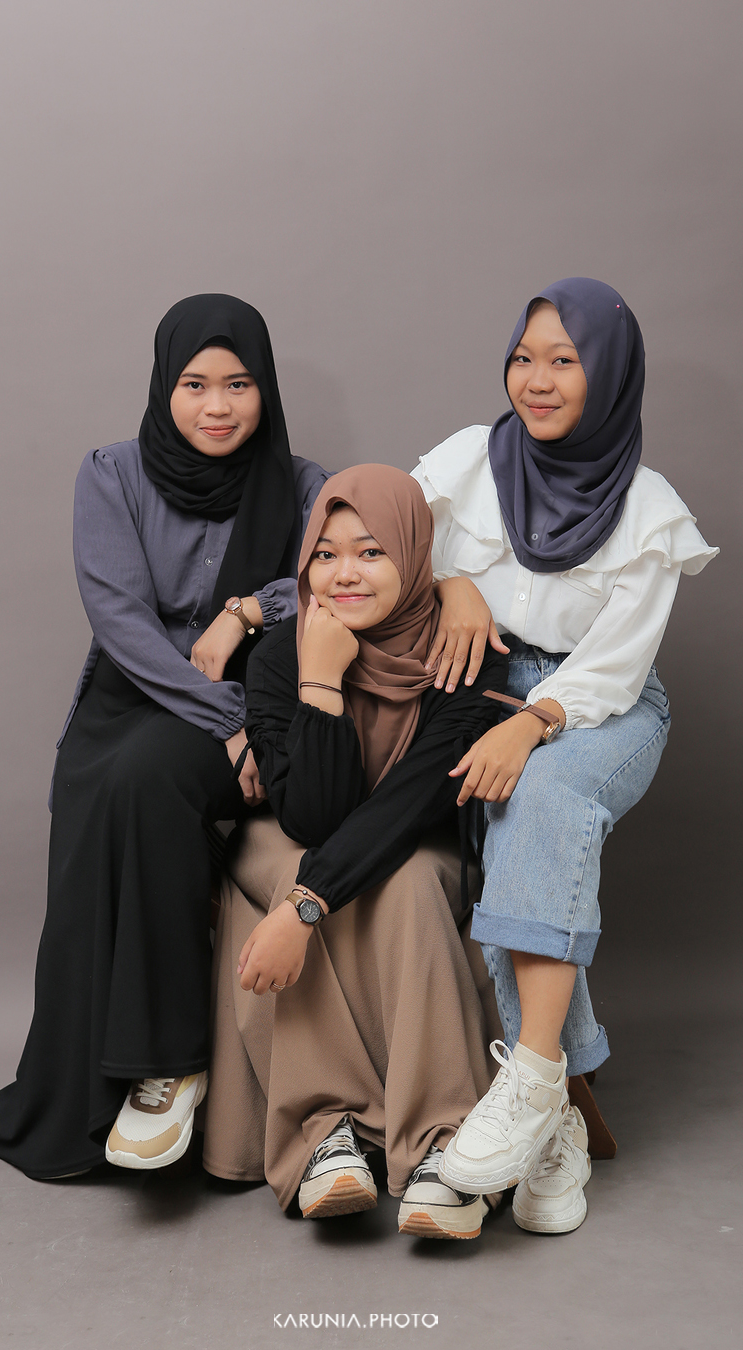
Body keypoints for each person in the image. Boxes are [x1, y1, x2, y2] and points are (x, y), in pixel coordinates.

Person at [0, 294, 328, 1180]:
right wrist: (227, 726)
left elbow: (337, 585)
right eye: (195, 383)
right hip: (141, 700)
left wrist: (245, 612)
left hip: (254, 705)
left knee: (145, 782)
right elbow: (121, 623)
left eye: (240, 384)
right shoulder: (111, 473)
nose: (218, 406)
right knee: (104, 798)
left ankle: (164, 1067)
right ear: (163, 387)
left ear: (266, 388)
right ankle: (83, 1093)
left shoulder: (300, 485)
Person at [410, 277, 718, 1233]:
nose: (534, 382)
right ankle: (556, 1122)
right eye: (522, 357)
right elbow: (381, 541)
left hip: (601, 709)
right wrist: (453, 579)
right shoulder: (467, 460)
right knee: (511, 829)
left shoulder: (649, 510)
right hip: (484, 687)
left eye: (564, 361)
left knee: (541, 801)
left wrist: (533, 721)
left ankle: (529, 1081)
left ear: (612, 375)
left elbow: (617, 670)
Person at [202, 464, 508, 1239]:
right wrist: (322, 682)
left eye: (371, 553)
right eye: (326, 554)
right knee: (287, 865)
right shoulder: (280, 656)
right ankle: (322, 1134)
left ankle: (441, 1143)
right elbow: (310, 815)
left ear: (414, 558)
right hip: (296, 836)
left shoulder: (464, 653)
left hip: (415, 838)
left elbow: (409, 806)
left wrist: (307, 907)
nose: (344, 574)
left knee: (402, 884)